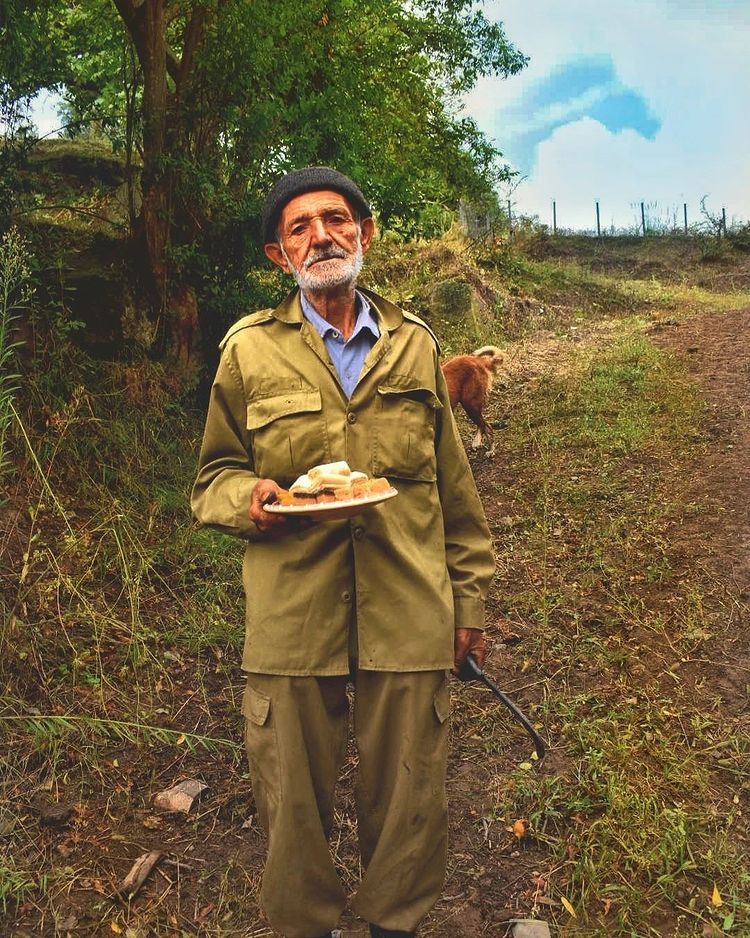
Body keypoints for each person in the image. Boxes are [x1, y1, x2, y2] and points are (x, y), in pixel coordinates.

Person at [191, 167, 495, 938]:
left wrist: (469, 604)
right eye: (300, 227)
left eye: (336, 219)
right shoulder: (249, 353)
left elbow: (455, 493)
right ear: (278, 255)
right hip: (293, 612)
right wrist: (247, 499)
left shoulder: (415, 345)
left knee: (411, 792)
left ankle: (395, 924)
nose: (321, 235)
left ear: (365, 234)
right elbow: (213, 478)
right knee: (290, 797)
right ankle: (306, 926)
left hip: (409, 602)